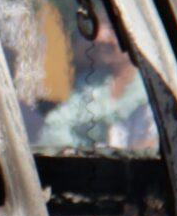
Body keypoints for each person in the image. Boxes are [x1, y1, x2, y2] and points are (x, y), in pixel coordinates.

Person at [40, 18, 156, 151]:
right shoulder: (91, 81)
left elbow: (151, 146)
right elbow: (55, 125)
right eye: (96, 28)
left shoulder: (153, 90)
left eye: (112, 29)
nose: (100, 37)